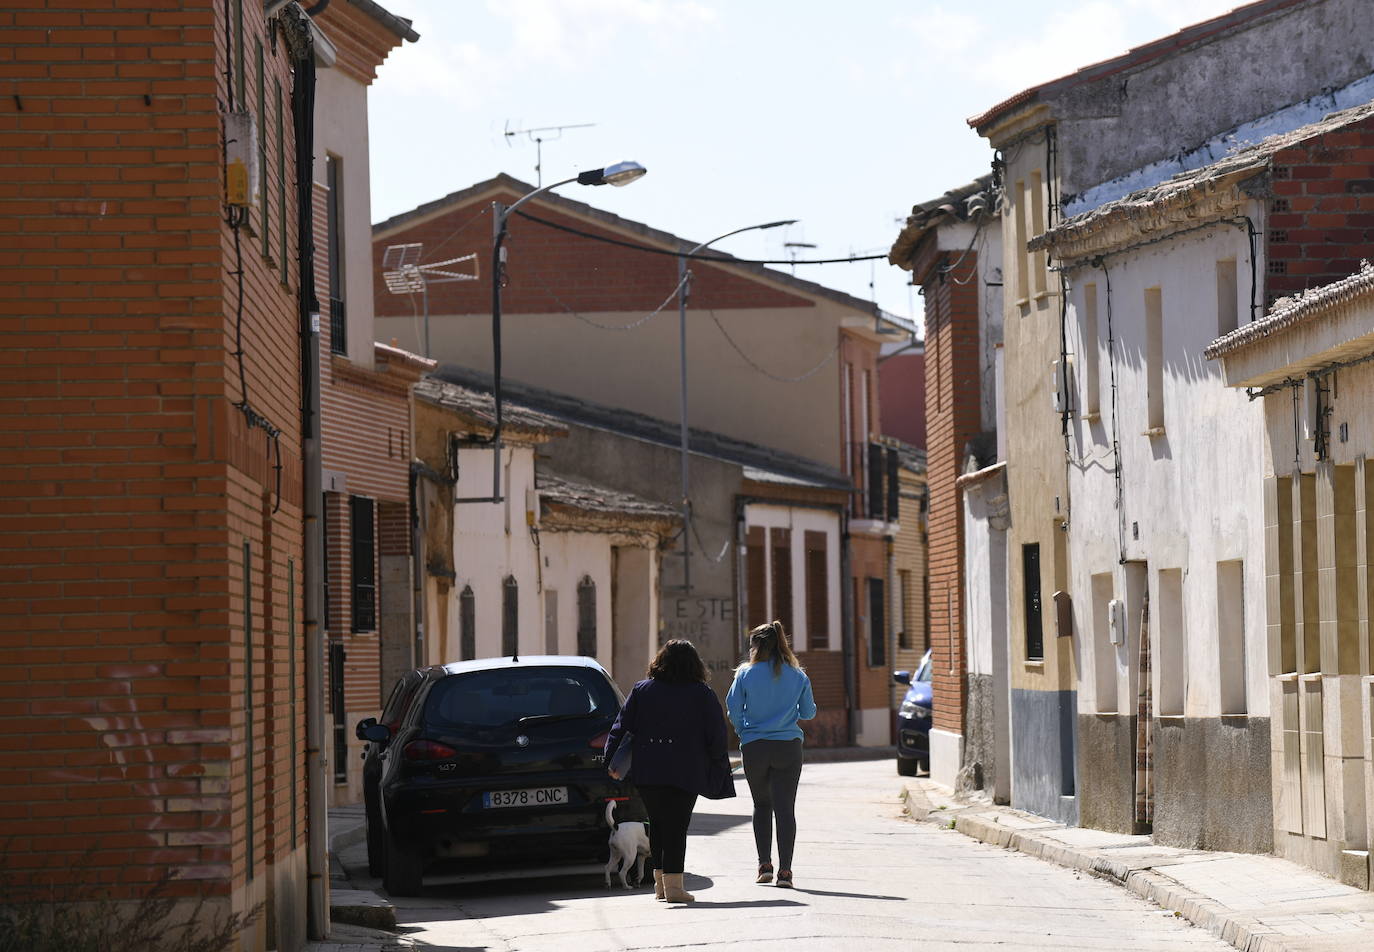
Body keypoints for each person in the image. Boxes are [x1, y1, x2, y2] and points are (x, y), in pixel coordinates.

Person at [604, 639, 735, 903]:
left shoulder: (642, 690)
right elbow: (717, 735)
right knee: (677, 826)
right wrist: (719, 762)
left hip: (648, 770)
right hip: (687, 770)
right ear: (694, 665)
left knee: (659, 825)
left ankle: (661, 885)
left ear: (660, 662)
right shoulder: (702, 693)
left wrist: (610, 759)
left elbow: (620, 726)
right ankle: (674, 887)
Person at [725, 620, 816, 889]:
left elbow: (733, 708)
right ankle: (786, 872)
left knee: (761, 805)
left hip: (755, 746)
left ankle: (764, 865)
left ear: (756, 646)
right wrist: (787, 716)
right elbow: (808, 712)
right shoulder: (798, 675)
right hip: (788, 745)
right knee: (785, 809)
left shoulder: (744, 674)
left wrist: (745, 732)